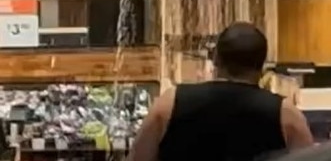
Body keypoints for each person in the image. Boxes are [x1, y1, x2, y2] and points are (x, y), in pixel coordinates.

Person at [126, 22, 314, 161]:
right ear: (262, 65)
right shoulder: (285, 114)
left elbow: (138, 157)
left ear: (215, 58)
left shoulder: (170, 103)